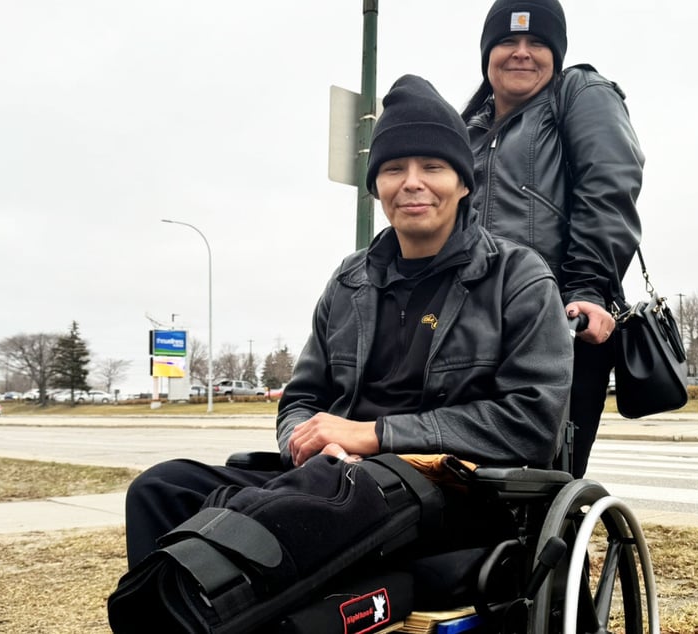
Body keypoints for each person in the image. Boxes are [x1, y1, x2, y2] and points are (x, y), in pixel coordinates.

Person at [124, 74, 573, 569]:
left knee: (283, 510)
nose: (412, 182)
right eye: (394, 168)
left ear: (464, 182)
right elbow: (301, 400)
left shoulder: (517, 276)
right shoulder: (348, 282)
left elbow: (531, 423)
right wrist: (311, 444)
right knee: (160, 490)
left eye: (433, 166)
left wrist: (377, 434)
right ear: (376, 187)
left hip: (453, 493)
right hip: (332, 480)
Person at [461, 0, 644, 477]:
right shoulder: (467, 131)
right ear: (487, 54)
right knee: (467, 481)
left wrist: (586, 288)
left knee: (542, 482)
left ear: (556, 54)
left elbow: (608, 186)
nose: (521, 53)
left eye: (537, 43)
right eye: (507, 41)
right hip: (473, 330)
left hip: (561, 322)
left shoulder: (580, 93)